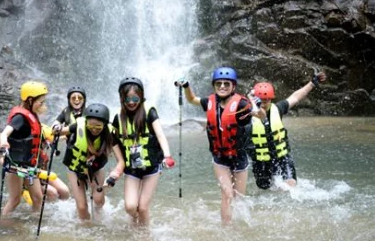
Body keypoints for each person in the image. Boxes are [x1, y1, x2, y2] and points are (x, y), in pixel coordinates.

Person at [177, 67, 262, 224]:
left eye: (226, 84)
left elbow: (259, 114)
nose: (222, 86)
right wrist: (187, 86)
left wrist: (257, 105)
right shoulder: (210, 102)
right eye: (218, 84)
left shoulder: (242, 103)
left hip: (239, 156)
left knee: (239, 198)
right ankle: (226, 229)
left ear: (233, 86)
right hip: (220, 158)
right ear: (214, 86)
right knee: (227, 194)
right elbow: (192, 100)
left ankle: (237, 227)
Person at [112, 78, 175, 227]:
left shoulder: (149, 112)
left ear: (141, 97)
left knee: (143, 207)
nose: (132, 102)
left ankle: (145, 237)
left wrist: (167, 156)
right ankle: (135, 225)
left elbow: (160, 135)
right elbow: (112, 141)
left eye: (135, 98)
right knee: (130, 207)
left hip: (151, 167)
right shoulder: (118, 118)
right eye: (128, 99)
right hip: (132, 169)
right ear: (122, 98)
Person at [249, 72, 327, 189]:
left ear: (271, 99)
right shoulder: (246, 116)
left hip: (282, 158)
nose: (263, 104)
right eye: (260, 101)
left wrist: (312, 83)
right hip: (261, 162)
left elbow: (295, 97)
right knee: (267, 192)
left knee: (290, 187)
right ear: (255, 100)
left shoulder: (278, 108)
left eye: (266, 100)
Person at [55, 103, 124, 221]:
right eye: (91, 126)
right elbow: (60, 132)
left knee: (98, 200)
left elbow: (121, 161)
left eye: (98, 127)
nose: (94, 129)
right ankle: (86, 229)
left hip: (96, 169)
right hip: (75, 169)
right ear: (86, 123)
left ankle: (98, 217)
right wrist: (56, 129)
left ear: (105, 125)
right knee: (82, 207)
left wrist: (114, 175)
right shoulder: (78, 126)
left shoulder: (110, 134)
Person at [0, 81, 50, 215]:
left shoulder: (30, 113)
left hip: (29, 164)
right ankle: (3, 221)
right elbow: (5, 133)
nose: (43, 105)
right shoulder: (20, 117)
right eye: (41, 102)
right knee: (15, 199)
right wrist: (3, 144)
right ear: (30, 100)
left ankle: (33, 223)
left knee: (38, 198)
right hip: (16, 164)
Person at [21, 123, 70, 205]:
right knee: (52, 193)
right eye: (45, 143)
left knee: (64, 191)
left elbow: (58, 138)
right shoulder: (27, 150)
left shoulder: (44, 145)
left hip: (42, 177)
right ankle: (44, 209)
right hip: (29, 179)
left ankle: (57, 208)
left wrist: (68, 134)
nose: (47, 146)